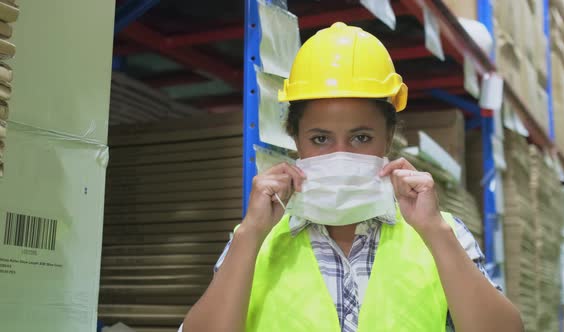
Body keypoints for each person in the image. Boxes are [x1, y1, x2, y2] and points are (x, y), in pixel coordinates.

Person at [180, 22, 523, 332]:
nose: (340, 153)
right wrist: (249, 235)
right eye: (320, 139)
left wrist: (435, 231)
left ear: (387, 139)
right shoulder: (255, 242)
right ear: (295, 141)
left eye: (361, 138)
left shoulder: (441, 234)